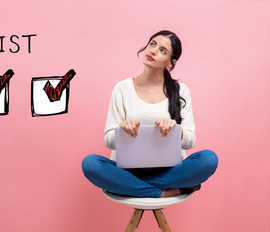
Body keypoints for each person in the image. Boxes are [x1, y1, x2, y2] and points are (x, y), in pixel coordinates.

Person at [82, 30, 218, 198]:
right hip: (128, 171)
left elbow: (190, 141)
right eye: (152, 44)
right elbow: (108, 140)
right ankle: (161, 193)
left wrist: (177, 129)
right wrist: (121, 130)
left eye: (163, 50)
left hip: (169, 171)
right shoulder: (122, 88)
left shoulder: (181, 91)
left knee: (209, 159)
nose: (153, 51)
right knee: (90, 164)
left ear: (171, 62)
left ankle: (131, 187)